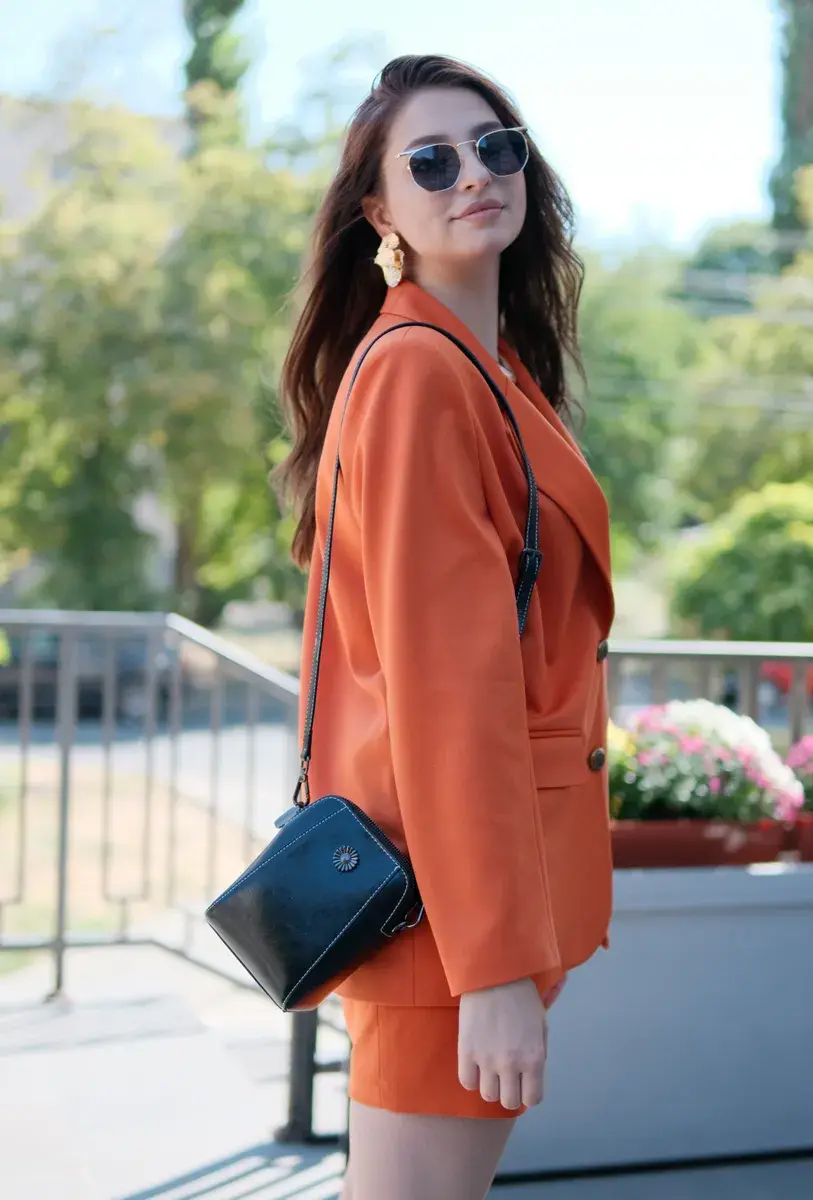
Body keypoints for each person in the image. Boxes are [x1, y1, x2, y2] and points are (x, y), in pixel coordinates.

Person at [276, 53, 615, 1200]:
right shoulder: (421, 372)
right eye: (430, 160)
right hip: (452, 924)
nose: (473, 172)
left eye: (495, 147)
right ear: (379, 211)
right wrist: (493, 967)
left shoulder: (488, 369)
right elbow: (446, 699)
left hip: (468, 908)